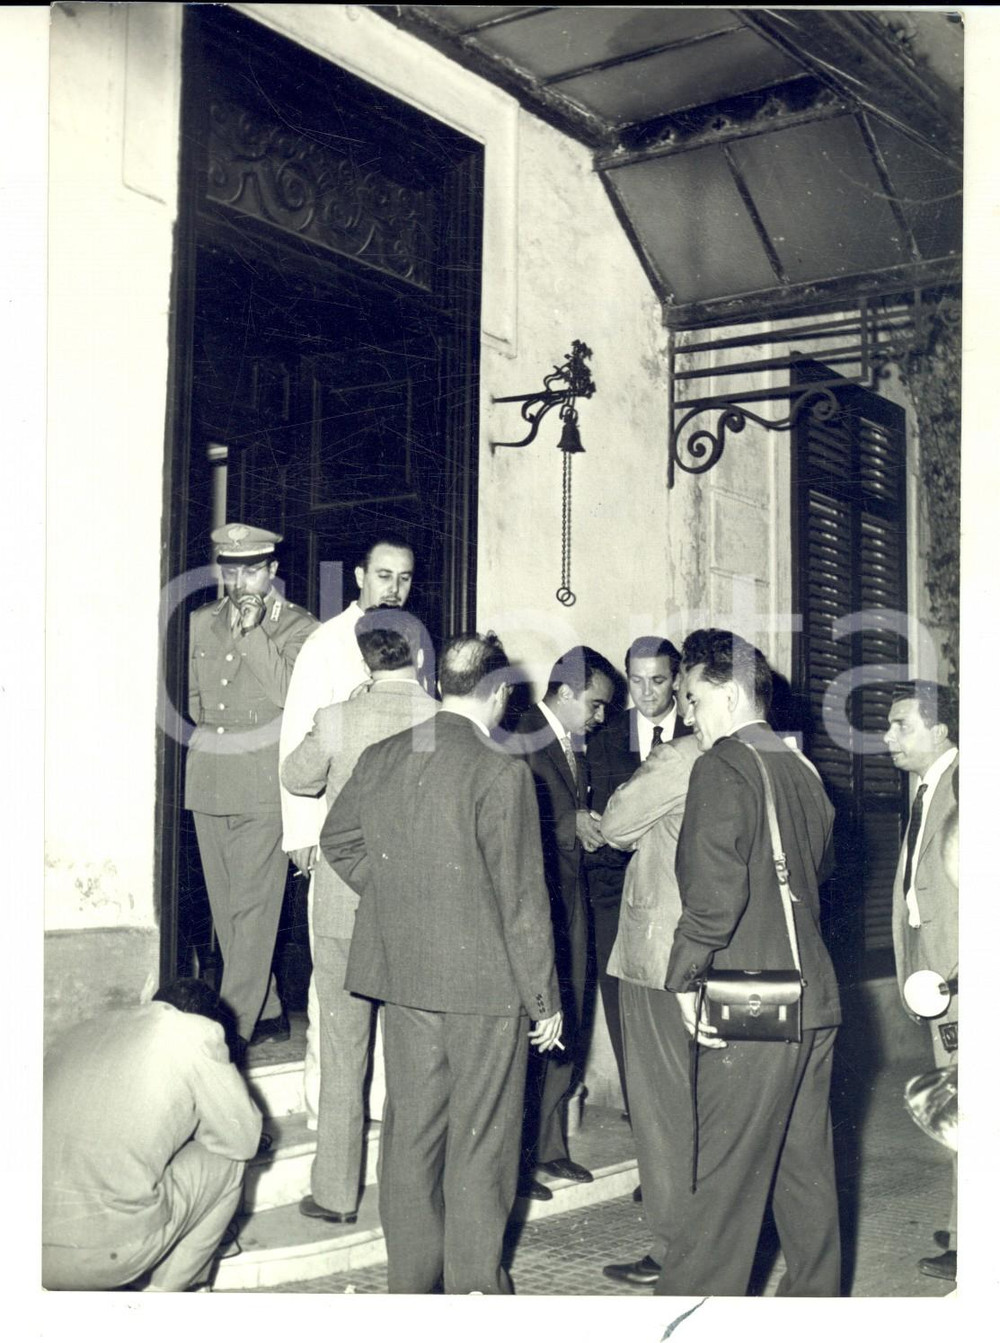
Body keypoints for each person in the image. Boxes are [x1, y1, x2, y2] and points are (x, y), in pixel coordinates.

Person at [320, 633, 562, 1294]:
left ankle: (411, 1289)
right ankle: (474, 1289)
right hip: (487, 989)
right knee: (481, 1146)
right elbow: (521, 899)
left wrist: (405, 897)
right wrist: (546, 1001)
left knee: (411, 1139)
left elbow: (336, 839)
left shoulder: (382, 755)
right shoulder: (501, 769)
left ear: (441, 684)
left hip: (407, 979)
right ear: (500, 692)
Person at [658, 628, 841, 1297]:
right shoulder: (802, 768)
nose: (686, 715)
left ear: (729, 692)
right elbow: (819, 874)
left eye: (693, 698)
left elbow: (714, 893)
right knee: (805, 1177)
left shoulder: (725, 764)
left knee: (722, 1190)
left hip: (753, 988)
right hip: (815, 993)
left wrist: (684, 974)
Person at [281, 609, 439, 1224]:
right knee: (414, 1059)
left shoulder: (338, 718)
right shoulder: (436, 721)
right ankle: (407, 1193)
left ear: (365, 659)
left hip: (344, 904)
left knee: (344, 1052)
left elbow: (295, 777)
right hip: (418, 911)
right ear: (419, 658)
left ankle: (335, 1195)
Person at [185, 523, 319, 1054]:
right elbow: (193, 701)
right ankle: (266, 1009)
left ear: (272, 571)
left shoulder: (299, 627)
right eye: (231, 569)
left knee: (253, 909)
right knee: (226, 907)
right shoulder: (199, 622)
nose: (241, 580)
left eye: (252, 570)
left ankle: (231, 1028)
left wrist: (255, 633)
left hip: (264, 782)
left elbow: (291, 692)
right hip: (210, 777)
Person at [43, 978, 262, 1292]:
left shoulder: (81, 1029)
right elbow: (243, 1140)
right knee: (230, 1161)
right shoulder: (196, 1032)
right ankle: (163, 1296)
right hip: (105, 1254)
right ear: (205, 1019)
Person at [511, 644, 617, 1199]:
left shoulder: (573, 745)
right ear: (568, 693)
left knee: (566, 1026)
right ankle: (520, 1160)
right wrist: (567, 823)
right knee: (538, 1030)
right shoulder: (521, 735)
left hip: (571, 908)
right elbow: (512, 824)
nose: (600, 718)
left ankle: (551, 1148)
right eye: (596, 705)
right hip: (537, 911)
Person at [598, 729, 701, 1287]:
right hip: (723, 954)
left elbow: (615, 825)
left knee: (662, 1109)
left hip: (660, 954)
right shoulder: (771, 754)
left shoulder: (680, 756)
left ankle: (673, 1250)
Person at [584, 636, 691, 1120]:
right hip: (615, 900)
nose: (647, 694)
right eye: (637, 681)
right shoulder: (604, 737)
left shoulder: (700, 731)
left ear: (678, 677)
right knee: (629, 1024)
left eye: (659, 681)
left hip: (681, 900)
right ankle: (643, 1123)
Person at [885, 679, 959, 1282]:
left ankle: (973, 1239)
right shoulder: (926, 788)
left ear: (939, 731)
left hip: (962, 979)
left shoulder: (966, 786)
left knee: (971, 1109)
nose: (887, 737)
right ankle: (966, 1224)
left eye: (900, 724)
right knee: (961, 1109)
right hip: (936, 979)